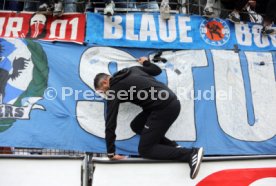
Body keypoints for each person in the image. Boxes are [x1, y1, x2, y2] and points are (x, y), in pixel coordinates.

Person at [94, 57, 204, 179]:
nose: (104, 94)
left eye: (102, 91)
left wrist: (110, 152)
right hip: (170, 102)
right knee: (136, 125)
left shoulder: (114, 91)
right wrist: (146, 62)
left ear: (105, 82)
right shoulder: (132, 69)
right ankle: (174, 146)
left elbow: (110, 122)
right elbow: (156, 70)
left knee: (145, 150)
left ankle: (190, 154)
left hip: (163, 108)